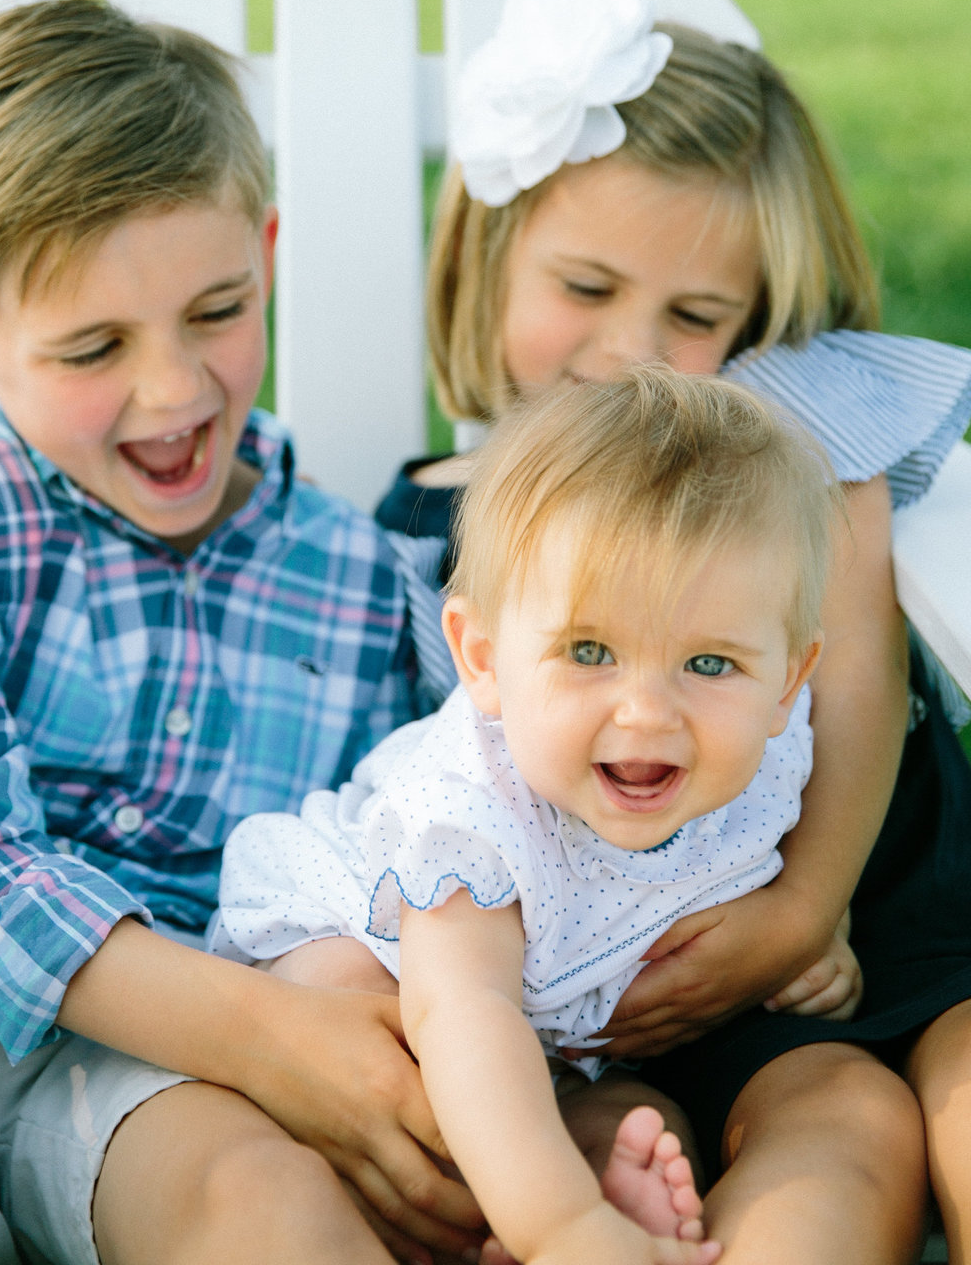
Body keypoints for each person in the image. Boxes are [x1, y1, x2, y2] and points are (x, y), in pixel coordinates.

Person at [0, 0, 490, 1265]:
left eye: (218, 312)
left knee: (273, 1217)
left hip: (150, 1062)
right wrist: (270, 1038)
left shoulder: (359, 579)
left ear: (265, 255)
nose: (174, 390)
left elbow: (444, 821)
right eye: (95, 345)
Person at [375, 0, 971, 1264]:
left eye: (695, 318)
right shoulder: (425, 534)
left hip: (861, 934)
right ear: (488, 256)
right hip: (591, 1015)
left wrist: (803, 910)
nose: (631, 352)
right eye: (584, 289)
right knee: (739, 1135)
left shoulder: (795, 452)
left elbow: (858, 676)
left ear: (759, 321)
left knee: (897, 1123)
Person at [210, 367, 862, 1265]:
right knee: (388, 1040)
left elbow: (751, 848)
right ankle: (531, 1216)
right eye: (591, 651)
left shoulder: (765, 751)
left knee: (642, 1117)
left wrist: (825, 932)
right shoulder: (471, 824)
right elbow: (464, 1015)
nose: (648, 715)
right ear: (480, 657)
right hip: (386, 957)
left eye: (709, 665)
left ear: (789, 679)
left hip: (558, 1032)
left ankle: (586, 1166)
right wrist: (568, 1234)